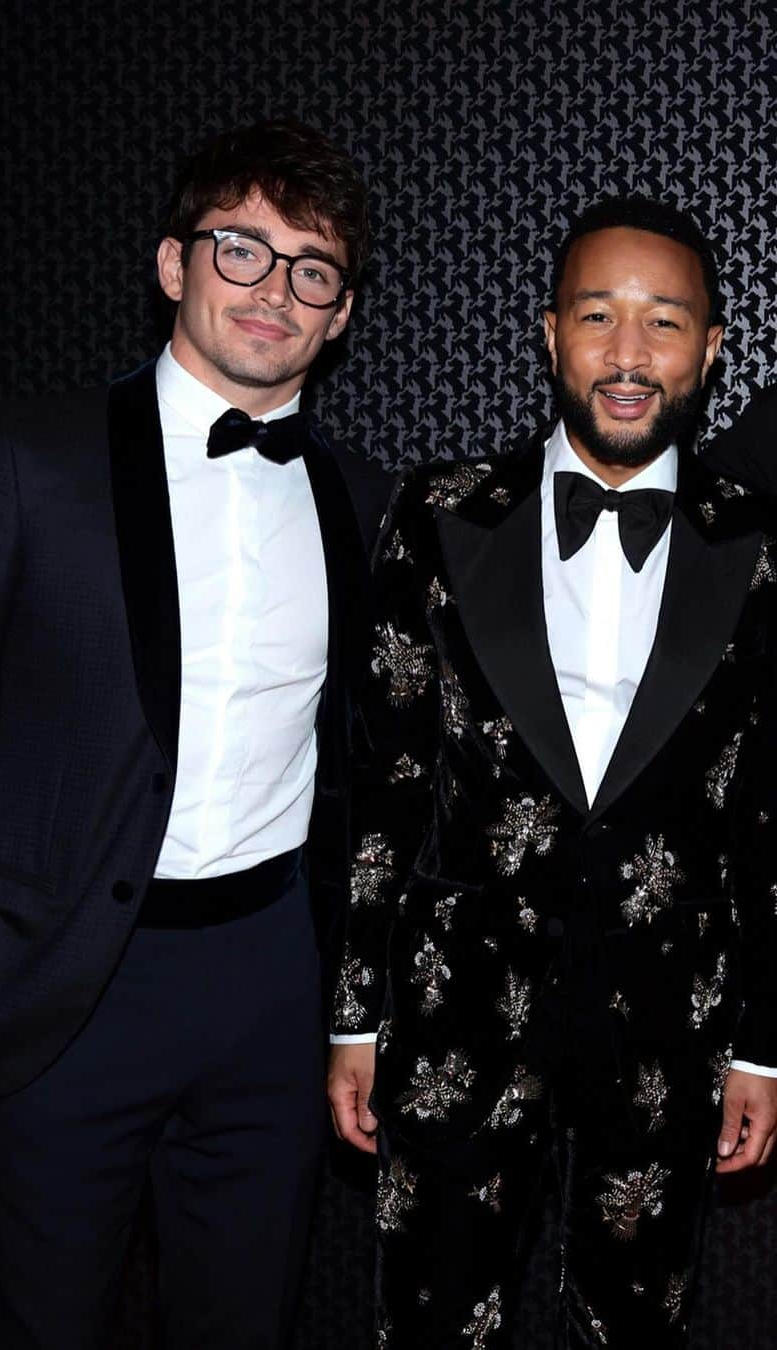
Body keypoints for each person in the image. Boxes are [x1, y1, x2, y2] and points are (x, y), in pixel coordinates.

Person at [0, 119, 390, 1350]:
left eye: (312, 269)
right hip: (62, 994)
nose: (275, 291)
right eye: (241, 250)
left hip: (268, 992)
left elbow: (375, 765)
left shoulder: (364, 503)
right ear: (172, 264)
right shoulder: (23, 464)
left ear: (342, 312)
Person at [327, 196, 777, 1347]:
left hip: (670, 1032)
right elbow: (382, 783)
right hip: (455, 1019)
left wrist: (764, 1045)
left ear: (714, 349)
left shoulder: (765, 546)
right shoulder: (435, 516)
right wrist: (354, 1018)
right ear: (548, 334)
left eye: (665, 322)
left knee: (637, 1327)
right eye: (597, 317)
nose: (628, 356)